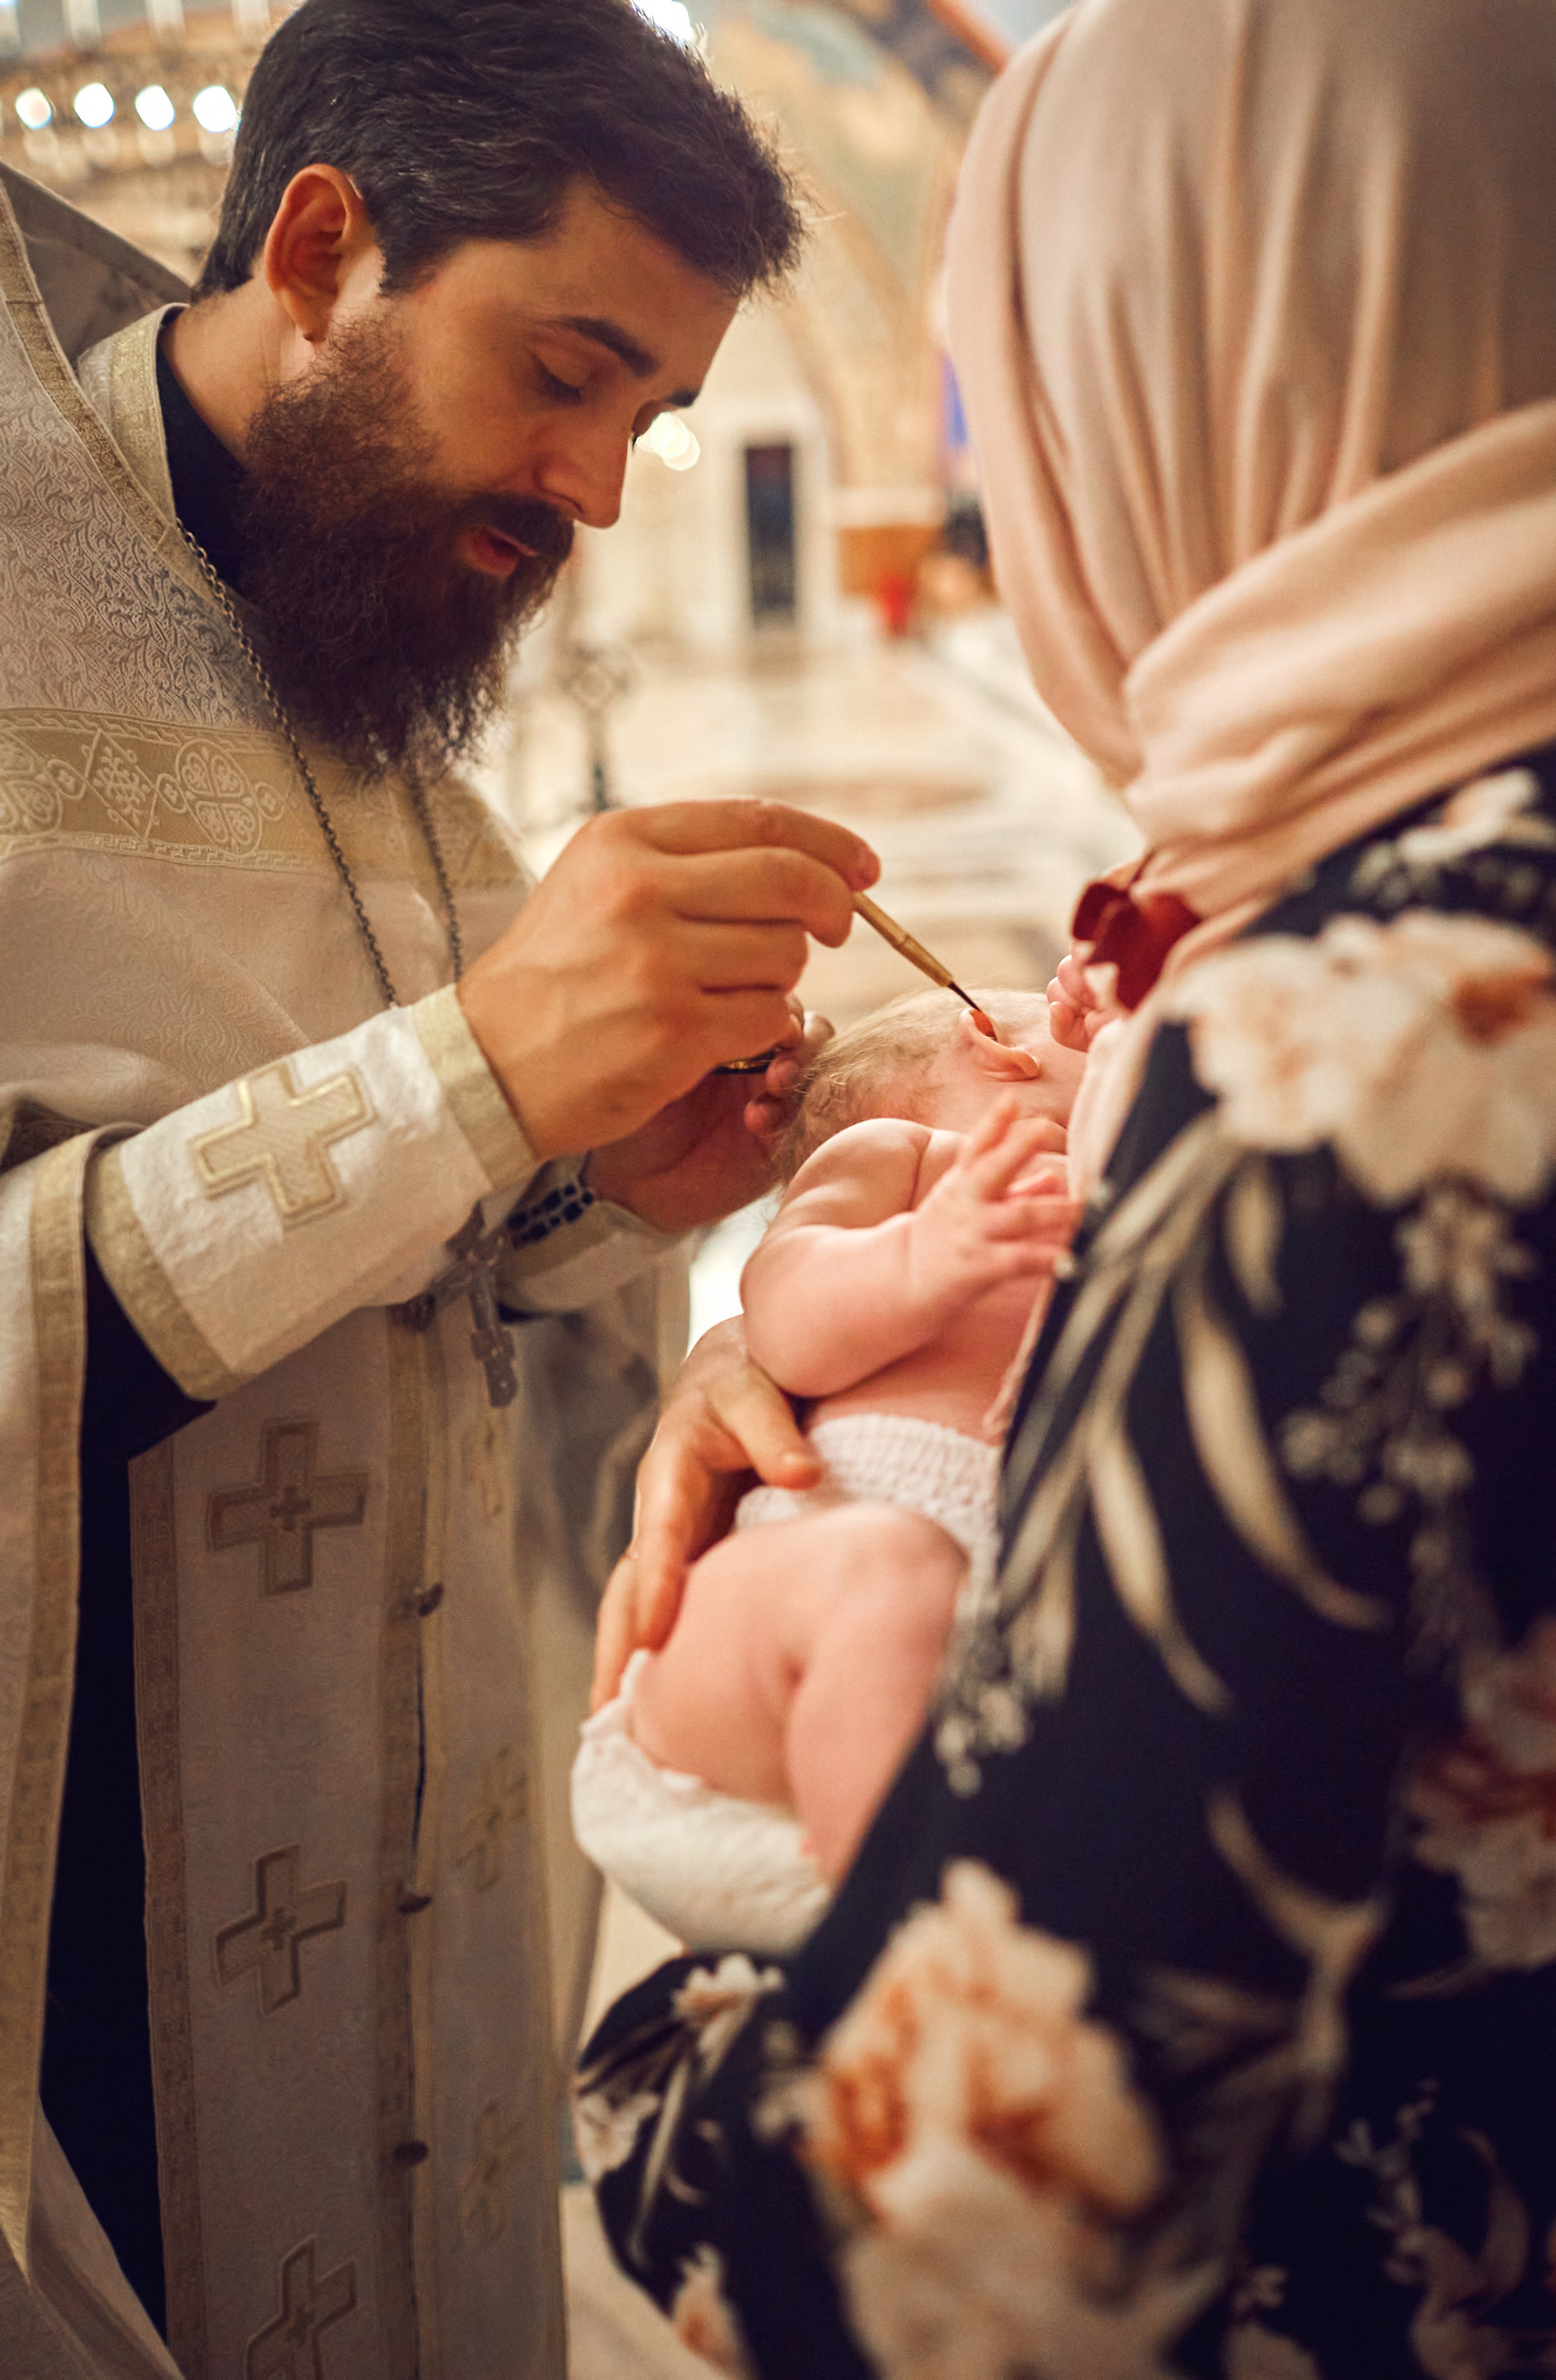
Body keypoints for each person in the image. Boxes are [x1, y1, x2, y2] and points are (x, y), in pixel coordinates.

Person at [575, 1, 1556, 2373]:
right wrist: (804, 1337)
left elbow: (971, 2245)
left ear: (1203, 392)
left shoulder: (1368, 1047)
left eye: (1023, 436)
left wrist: (655, 2083)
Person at [0, 3, 883, 2373]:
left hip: (405, 1912)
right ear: (322, 245)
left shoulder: (353, 600)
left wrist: (601, 1175)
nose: (600, 490)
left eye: (653, 419)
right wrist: (481, 1071)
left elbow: (433, 1245)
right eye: (567, 372)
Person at [572, 990, 1083, 1954]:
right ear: (999, 1045)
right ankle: (917, 1966)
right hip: (808, 1604)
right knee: (890, 1574)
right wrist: (924, 1258)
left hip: (996, 1659)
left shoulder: (1146, 1206)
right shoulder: (907, 1159)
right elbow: (787, 1322)